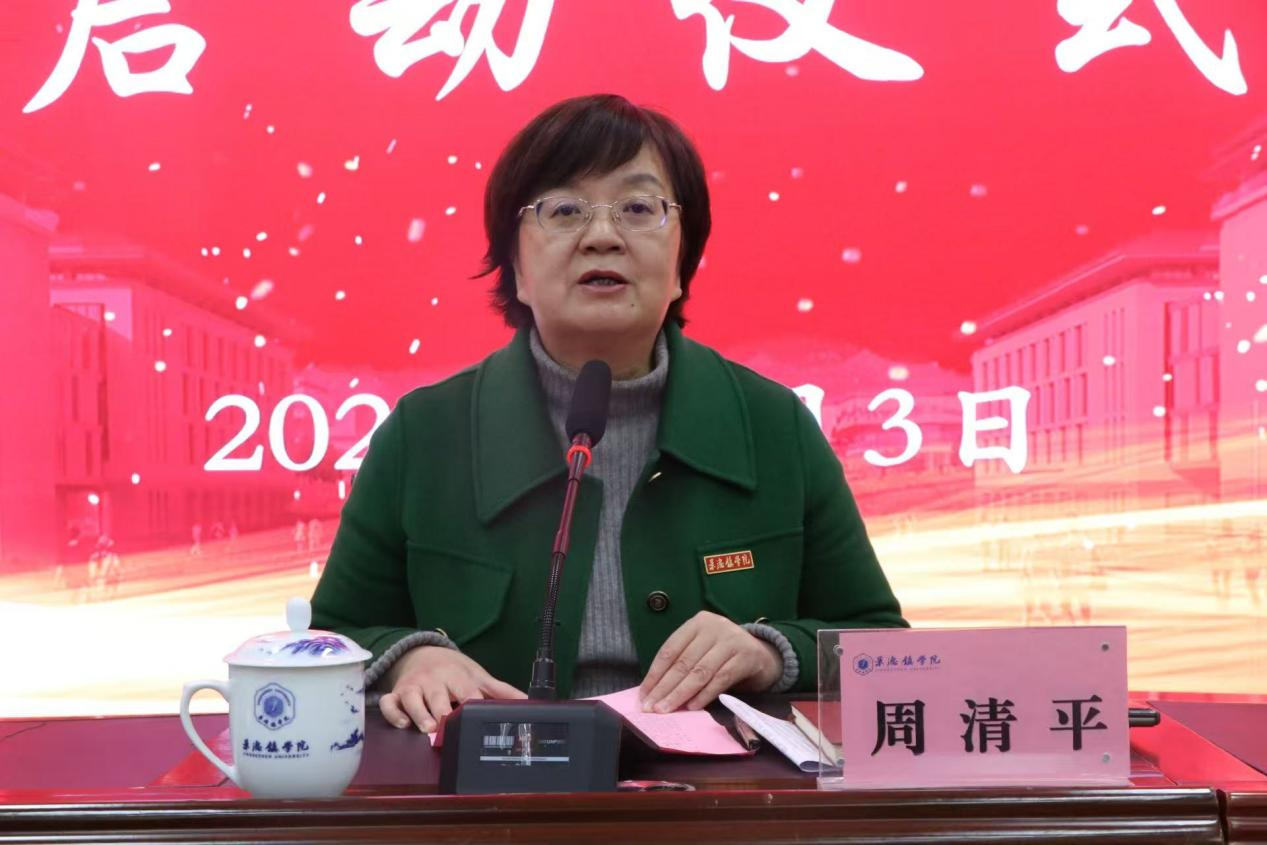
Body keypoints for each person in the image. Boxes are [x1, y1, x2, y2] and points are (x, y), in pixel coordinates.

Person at [311, 94, 906, 734]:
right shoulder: (425, 434)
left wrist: (770, 653)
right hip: (494, 789)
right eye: (564, 210)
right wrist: (409, 658)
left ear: (681, 265)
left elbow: (882, 648)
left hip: (727, 793)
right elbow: (328, 643)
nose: (602, 236)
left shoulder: (773, 425)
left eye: (639, 208)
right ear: (516, 268)